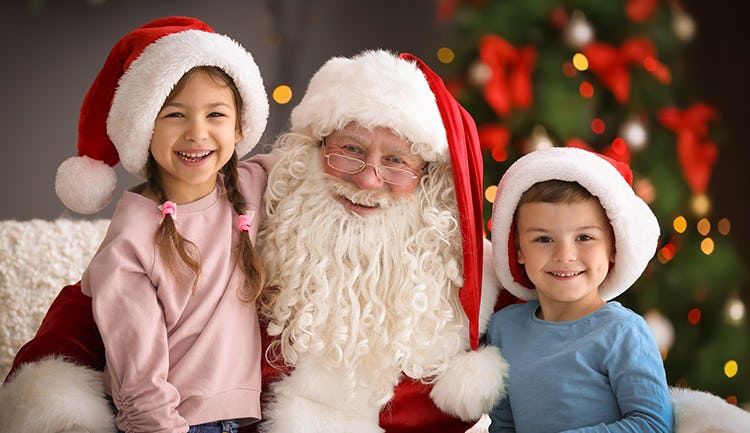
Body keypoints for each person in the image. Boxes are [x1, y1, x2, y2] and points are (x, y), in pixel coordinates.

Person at [0, 49, 512, 433]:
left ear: (434, 179)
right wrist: (59, 394)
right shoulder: (273, 203)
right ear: (313, 150)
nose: (367, 179)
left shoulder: (472, 277)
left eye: (397, 161)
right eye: (349, 149)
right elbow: (99, 305)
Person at [5, 16, 271, 433]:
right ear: (144, 127)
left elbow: (324, 158)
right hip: (175, 423)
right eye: (175, 115)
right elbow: (139, 380)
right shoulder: (129, 243)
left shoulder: (251, 187)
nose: (197, 133)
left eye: (216, 114)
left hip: (245, 418)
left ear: (239, 126)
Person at [486, 146, 673, 432]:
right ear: (518, 250)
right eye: (543, 239)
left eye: (584, 237)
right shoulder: (503, 329)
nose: (565, 255)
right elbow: (503, 425)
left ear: (613, 247)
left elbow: (653, 425)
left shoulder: (623, 333)